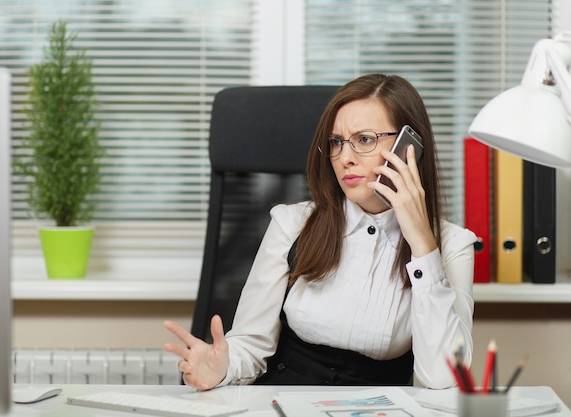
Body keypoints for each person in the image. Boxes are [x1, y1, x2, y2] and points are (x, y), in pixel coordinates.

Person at [164, 74, 477, 390]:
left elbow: (444, 380)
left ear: (410, 148)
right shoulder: (292, 224)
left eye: (364, 139)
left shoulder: (452, 246)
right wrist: (222, 368)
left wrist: (423, 245)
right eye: (336, 142)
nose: (345, 158)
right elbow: (251, 344)